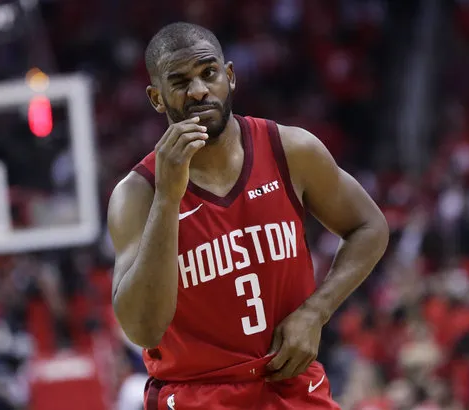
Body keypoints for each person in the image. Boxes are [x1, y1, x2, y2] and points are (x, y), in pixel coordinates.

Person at [108, 22, 389, 410]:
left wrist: (317, 311)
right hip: (197, 395)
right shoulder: (137, 194)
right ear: (157, 98)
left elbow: (370, 226)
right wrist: (168, 199)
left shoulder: (290, 150)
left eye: (209, 73)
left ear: (231, 76)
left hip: (290, 385)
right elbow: (142, 328)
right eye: (180, 81)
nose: (198, 91)